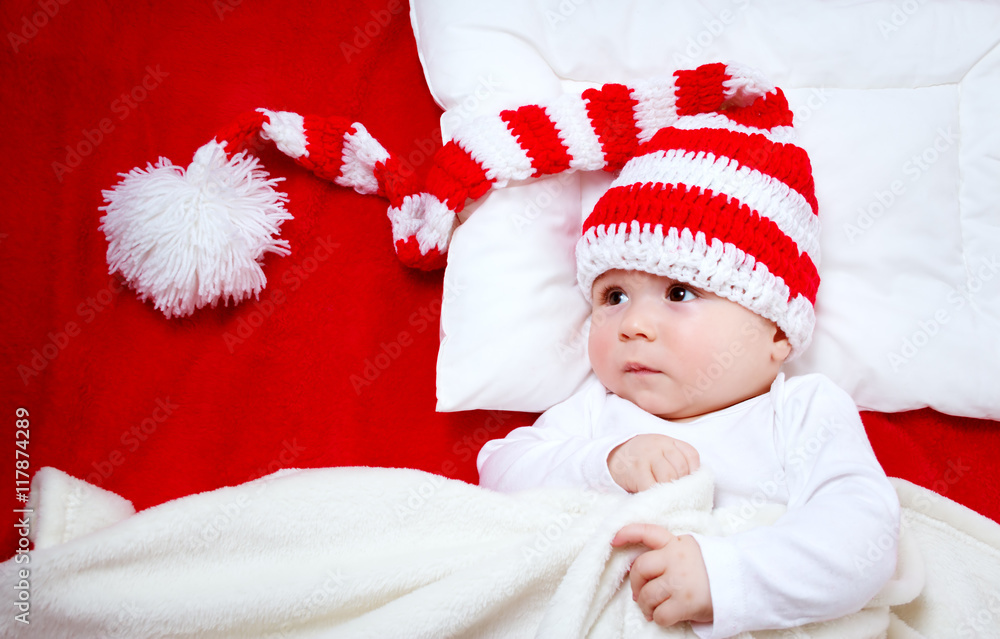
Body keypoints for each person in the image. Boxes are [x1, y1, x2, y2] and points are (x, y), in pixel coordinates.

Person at [477, 66, 901, 638]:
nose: (634, 325)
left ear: (777, 333)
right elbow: (499, 472)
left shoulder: (800, 412)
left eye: (680, 292)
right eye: (614, 295)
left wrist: (728, 579)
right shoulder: (597, 413)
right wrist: (606, 463)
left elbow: (864, 536)